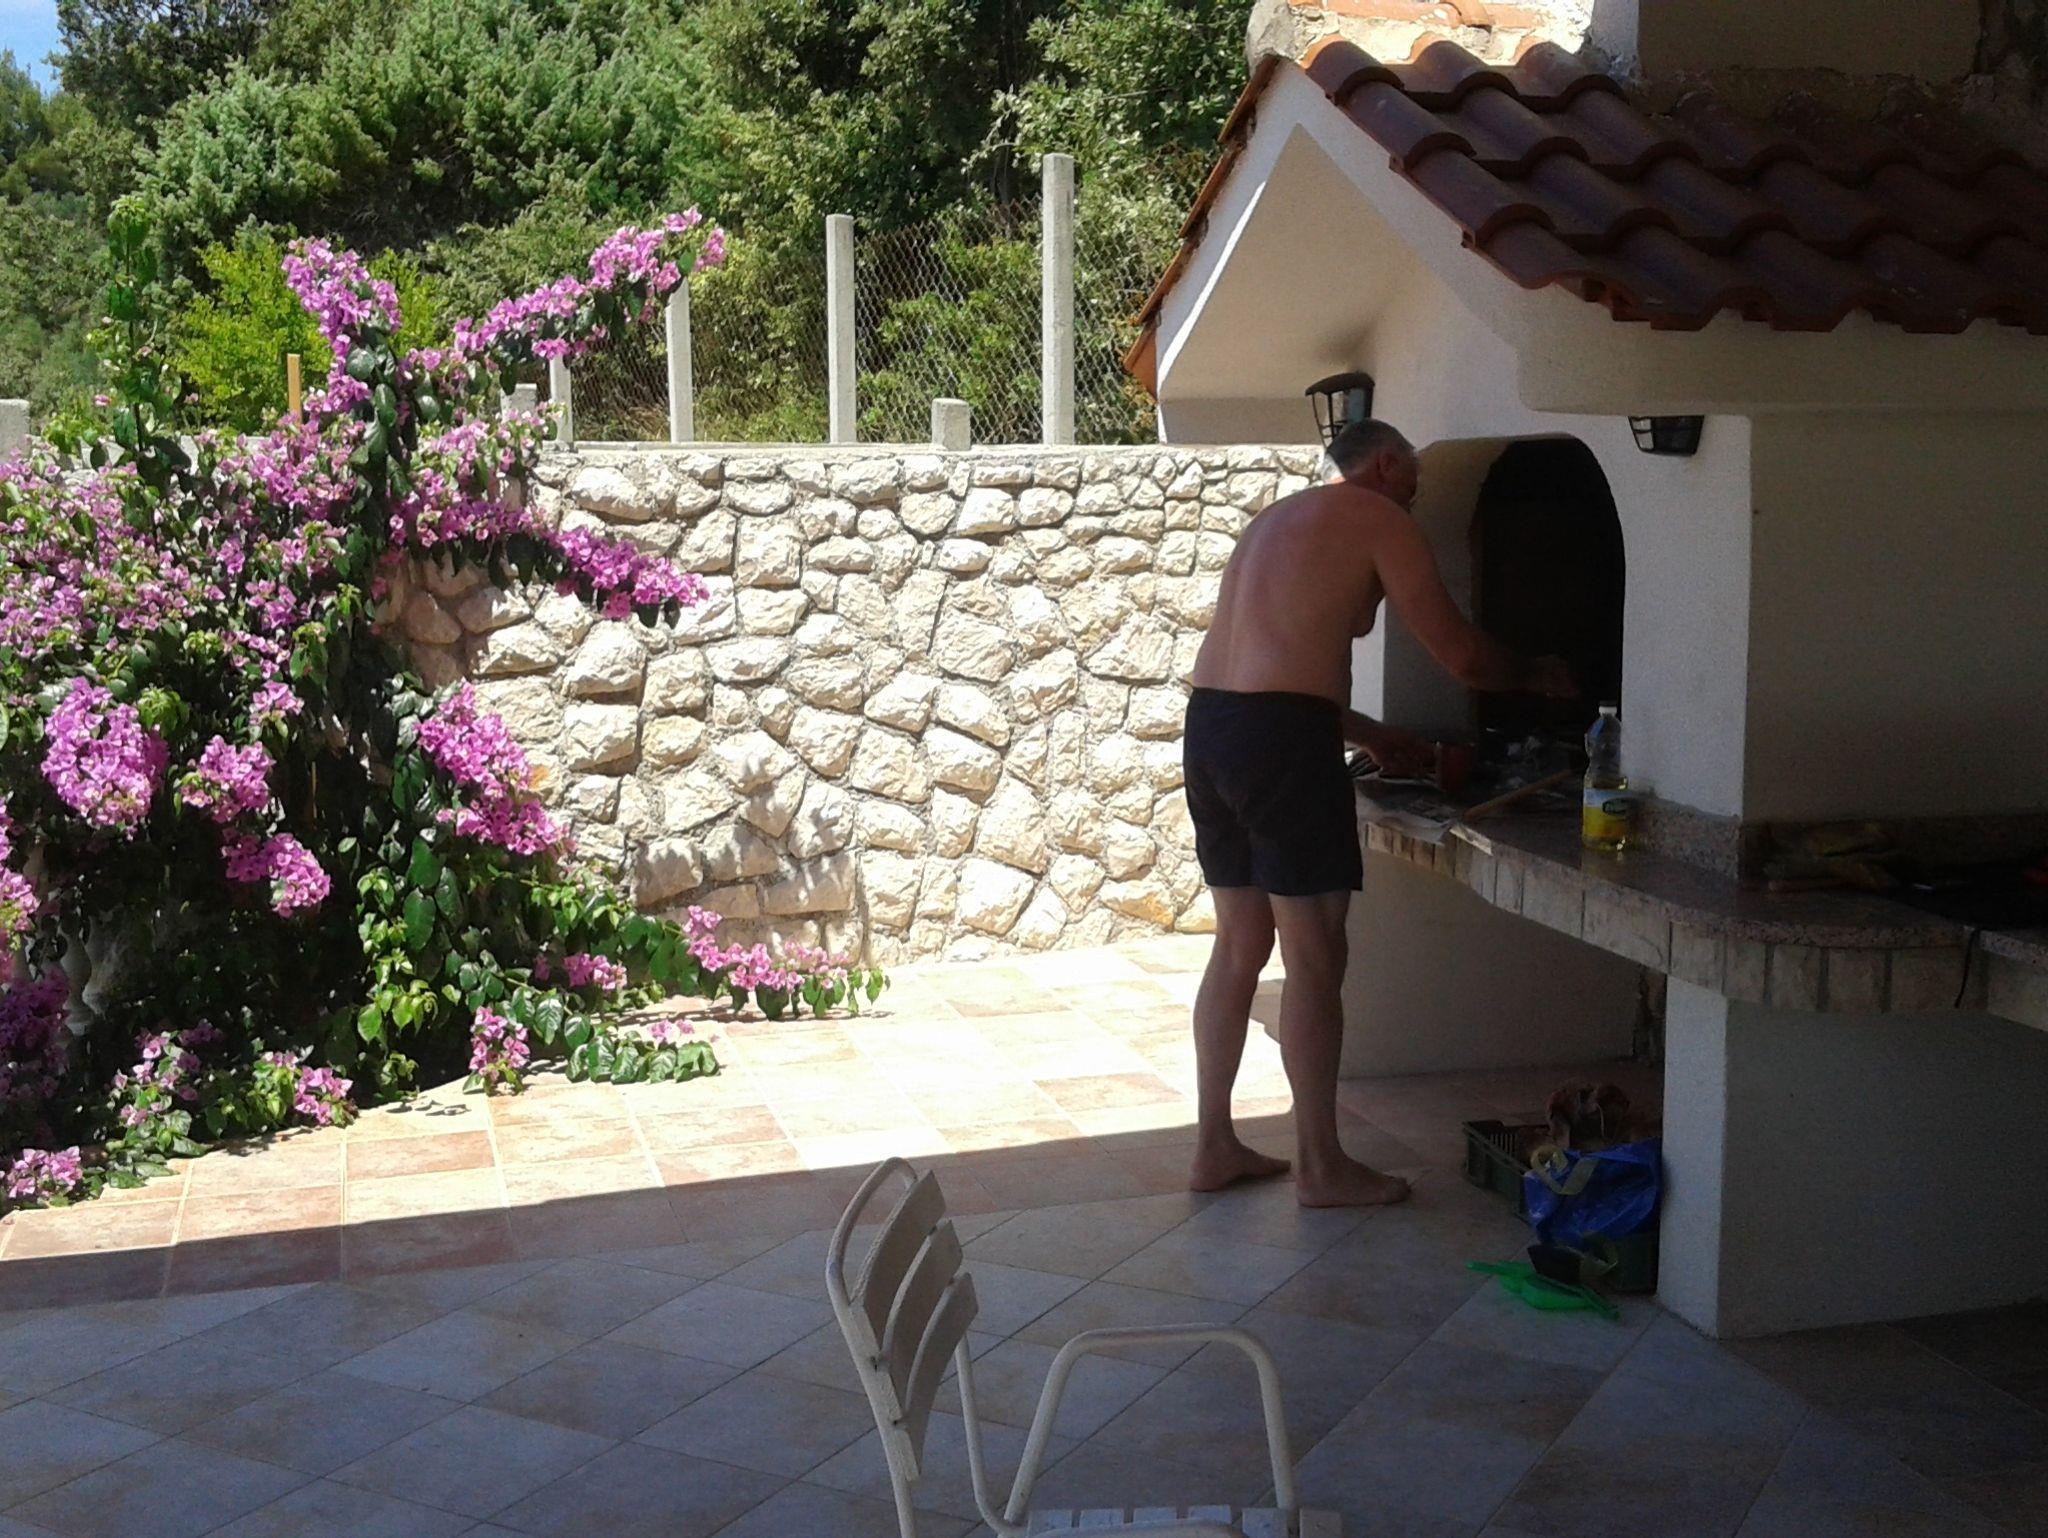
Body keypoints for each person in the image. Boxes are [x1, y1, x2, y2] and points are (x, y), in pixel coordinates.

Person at [1182, 419, 1577, 1207]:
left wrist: (1371, 735)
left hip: (1212, 727)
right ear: (1388, 466)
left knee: (1240, 942)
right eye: (1415, 489)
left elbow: (1272, 673)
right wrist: (1538, 673)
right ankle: (1321, 1167)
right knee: (1314, 953)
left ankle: (1214, 1146)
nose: (1415, 505)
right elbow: (1462, 657)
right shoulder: (1376, 516)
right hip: (1283, 740)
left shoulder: (1277, 519)